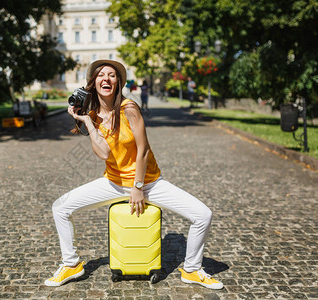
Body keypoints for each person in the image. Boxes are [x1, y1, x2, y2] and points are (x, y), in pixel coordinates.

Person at [44, 59, 223, 290]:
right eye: (101, 75)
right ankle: (71, 265)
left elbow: (144, 149)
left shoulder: (129, 108)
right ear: (93, 82)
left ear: (118, 82)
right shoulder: (94, 115)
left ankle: (192, 269)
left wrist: (138, 187)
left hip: (148, 183)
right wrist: (87, 121)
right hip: (114, 183)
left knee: (203, 215)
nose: (106, 78)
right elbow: (103, 153)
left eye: (111, 75)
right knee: (60, 207)